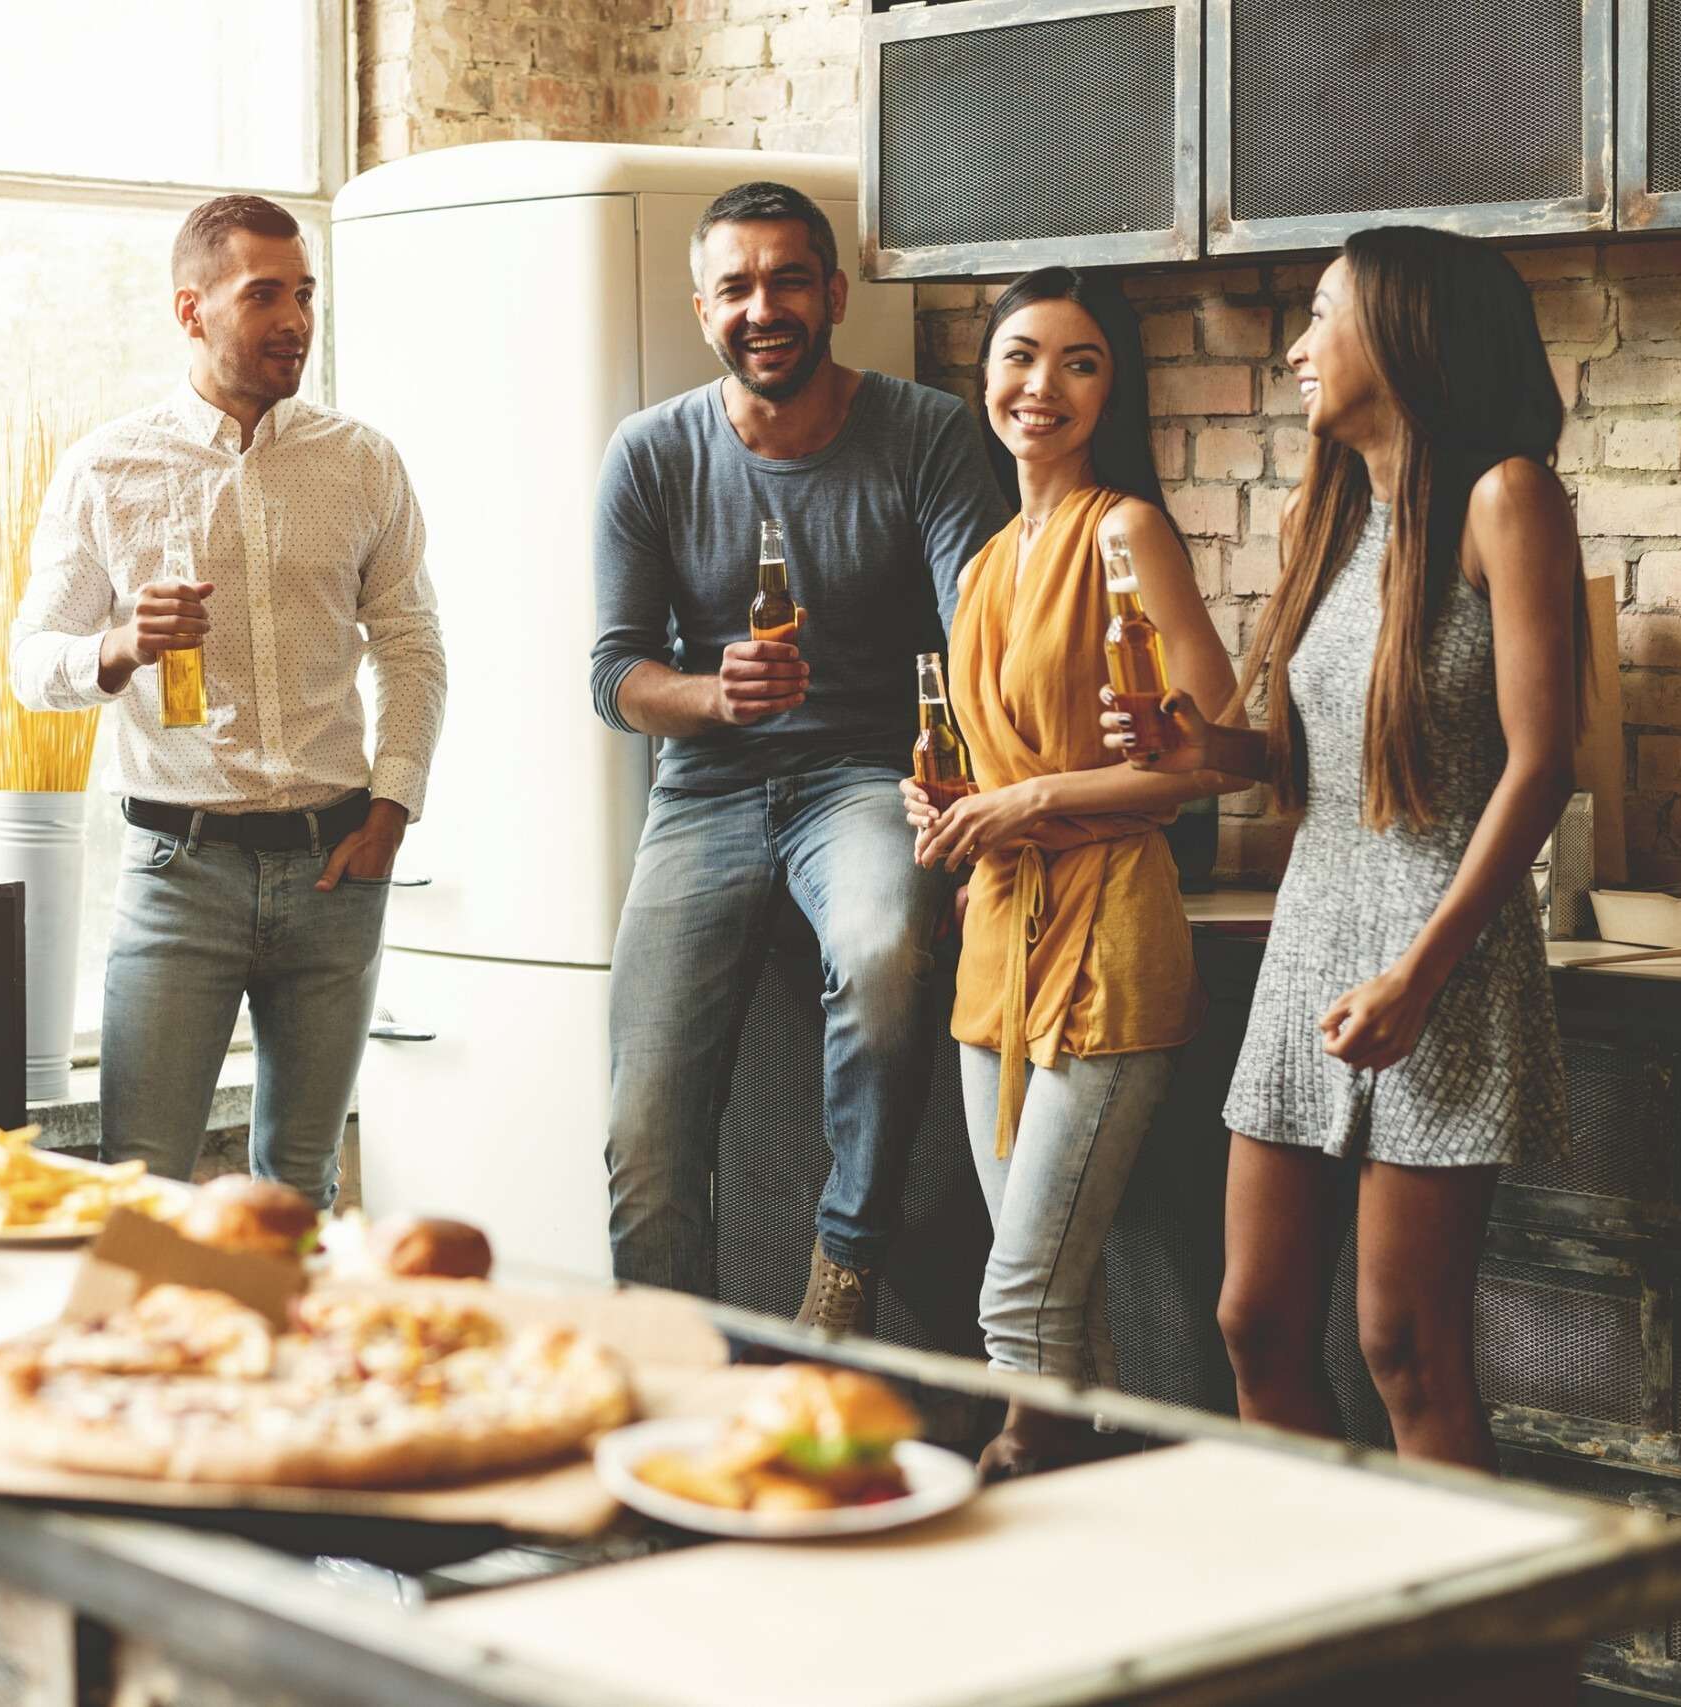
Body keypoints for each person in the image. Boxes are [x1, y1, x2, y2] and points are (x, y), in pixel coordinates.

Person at [1107, 226, 1581, 1469]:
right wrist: (1201, 748)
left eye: (1323, 315)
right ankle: (1330, 1629)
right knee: (1253, 1323)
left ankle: (1469, 1659)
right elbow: (1316, 763)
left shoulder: (1504, 497)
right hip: (1312, 938)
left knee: (1403, 1347)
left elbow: (1541, 764)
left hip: (1443, 959)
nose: (1298, 348)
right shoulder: (1331, 518)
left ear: (1407, 330)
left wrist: (1419, 978)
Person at [591, 181, 1002, 1332]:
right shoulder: (650, 454)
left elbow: (981, 638)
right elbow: (615, 676)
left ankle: (844, 1260)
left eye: (784, 280)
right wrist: (712, 694)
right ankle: (673, 1377)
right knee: (642, 1126)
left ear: (832, 292)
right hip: (705, 793)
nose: (760, 306)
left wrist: (988, 816)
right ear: (702, 308)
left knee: (880, 955)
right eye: (735, 287)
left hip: (867, 781)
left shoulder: (924, 432)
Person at [9, 194, 445, 1204]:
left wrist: (393, 809)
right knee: (141, 1192)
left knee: (296, 1195)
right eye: (264, 295)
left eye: (304, 294)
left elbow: (413, 644)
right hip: (178, 874)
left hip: (335, 870)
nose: (294, 318)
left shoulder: (361, 461)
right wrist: (119, 647)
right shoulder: (105, 468)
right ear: (189, 308)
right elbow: (31, 663)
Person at [901, 268, 1236, 1478]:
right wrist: (948, 801)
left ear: (1114, 390)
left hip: (1108, 936)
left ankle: (1024, 1493)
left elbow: (1204, 756)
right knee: (1055, 1303)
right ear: (985, 379)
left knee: (1017, 1297)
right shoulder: (990, 558)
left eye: (1079, 362)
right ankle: (1090, 1547)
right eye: (1020, 357)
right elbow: (989, 755)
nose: (1041, 385)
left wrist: (1032, 798)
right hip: (994, 943)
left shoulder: (1123, 528)